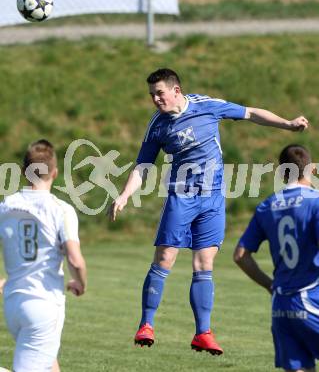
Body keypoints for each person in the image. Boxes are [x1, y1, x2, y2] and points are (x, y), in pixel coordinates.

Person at [108, 68, 308, 355]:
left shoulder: (207, 106)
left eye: (159, 93)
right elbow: (143, 166)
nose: (155, 99)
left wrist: (288, 124)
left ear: (176, 90)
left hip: (212, 200)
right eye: (151, 95)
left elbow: (251, 113)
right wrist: (125, 194)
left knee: (204, 264)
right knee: (165, 257)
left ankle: (203, 332)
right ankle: (146, 324)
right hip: (181, 197)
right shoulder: (158, 126)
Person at [0, 139, 87, 372]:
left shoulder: (6, 206)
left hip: (13, 304)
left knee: (46, 362)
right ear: (55, 172)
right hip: (43, 304)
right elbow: (75, 259)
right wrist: (79, 282)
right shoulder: (61, 209)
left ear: (22, 171)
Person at [234, 144, 319, 372]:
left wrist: (270, 285)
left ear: (282, 173)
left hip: (281, 305)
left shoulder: (267, 206)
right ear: (311, 169)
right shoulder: (316, 202)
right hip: (311, 299)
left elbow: (241, 256)